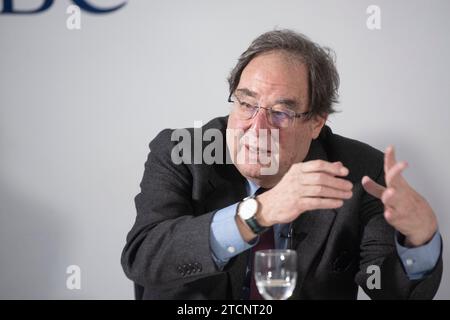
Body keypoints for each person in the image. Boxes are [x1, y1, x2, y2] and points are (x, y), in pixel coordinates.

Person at [121, 29, 442, 299]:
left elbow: (389, 290)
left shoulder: (360, 171)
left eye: (281, 113)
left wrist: (419, 240)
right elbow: (144, 256)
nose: (256, 128)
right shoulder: (185, 152)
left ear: (316, 123)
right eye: (246, 104)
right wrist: (260, 213)